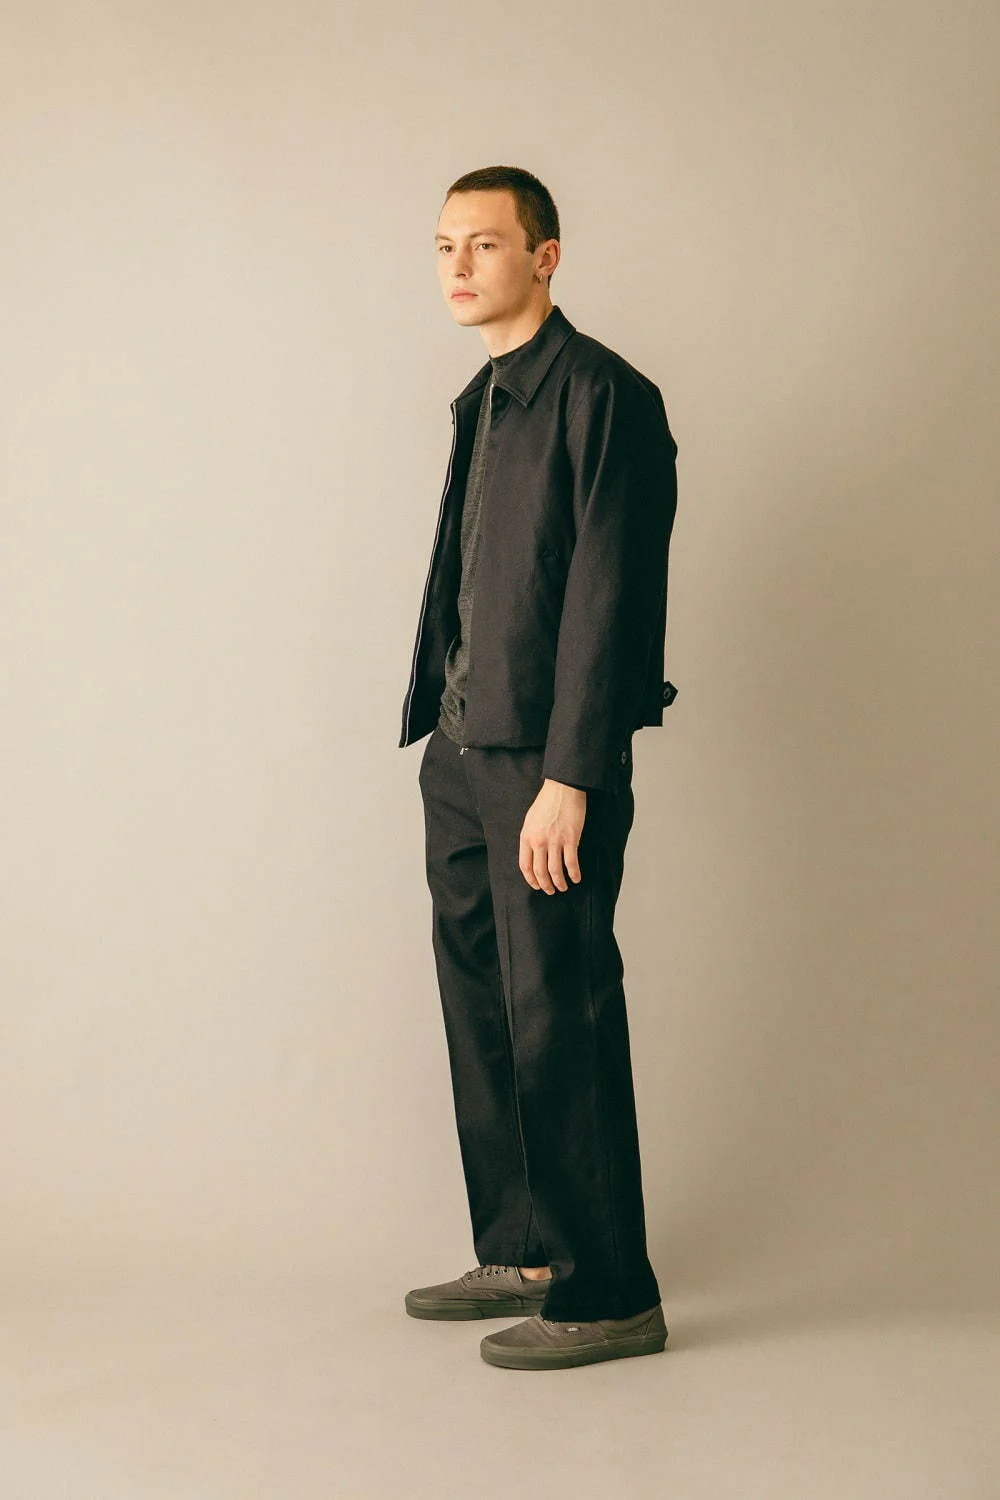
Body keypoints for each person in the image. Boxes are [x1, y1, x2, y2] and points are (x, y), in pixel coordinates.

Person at [399, 165, 679, 1371]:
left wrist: (572, 774)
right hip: (461, 752)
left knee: (557, 1010)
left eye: (484, 244)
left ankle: (609, 1291)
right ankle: (523, 1247)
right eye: (443, 246)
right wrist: (443, 732)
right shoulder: (483, 398)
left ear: (544, 257)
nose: (458, 267)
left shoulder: (605, 395)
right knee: (482, 1010)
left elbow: (611, 599)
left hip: (545, 764)